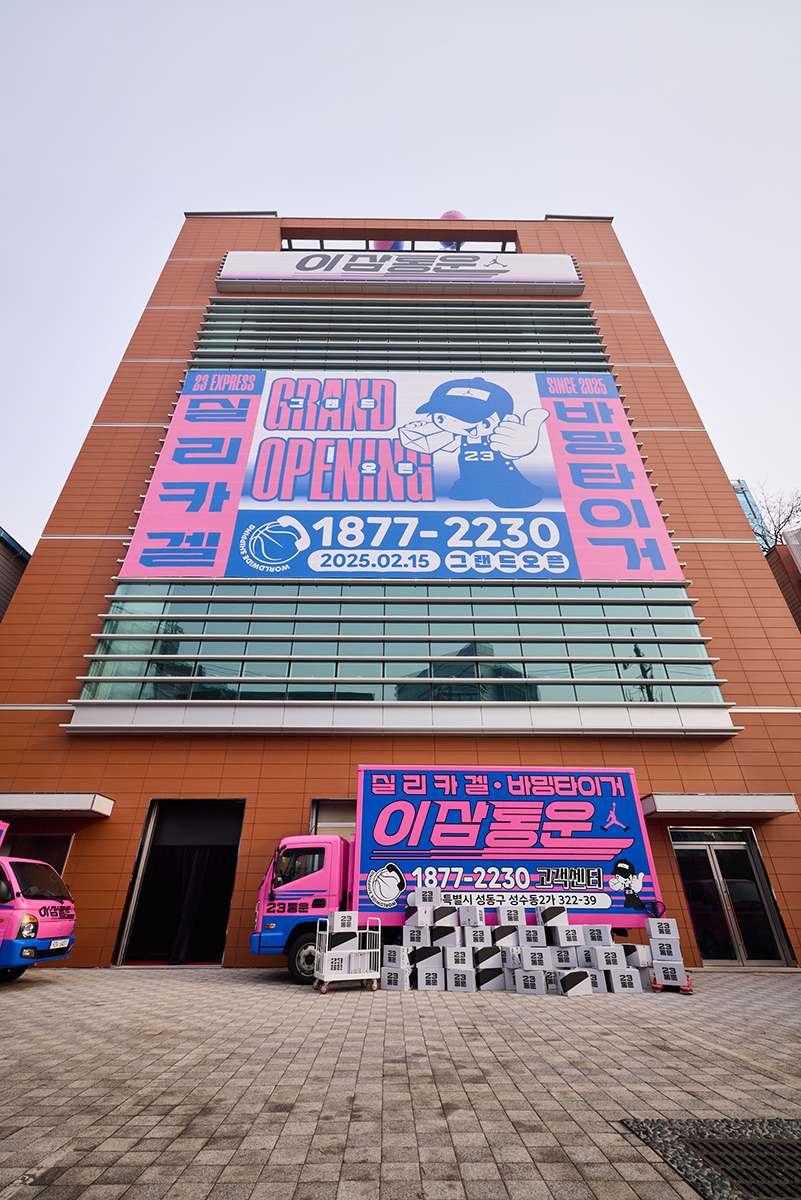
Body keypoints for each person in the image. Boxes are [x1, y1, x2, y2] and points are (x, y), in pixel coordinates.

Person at [399, 377, 549, 509]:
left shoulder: (496, 438)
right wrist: (417, 433)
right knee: (461, 493)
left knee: (512, 499)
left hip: (505, 484)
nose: (457, 424)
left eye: (473, 418)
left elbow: (515, 449)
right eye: (441, 418)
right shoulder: (457, 438)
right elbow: (432, 446)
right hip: (470, 484)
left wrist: (522, 442)